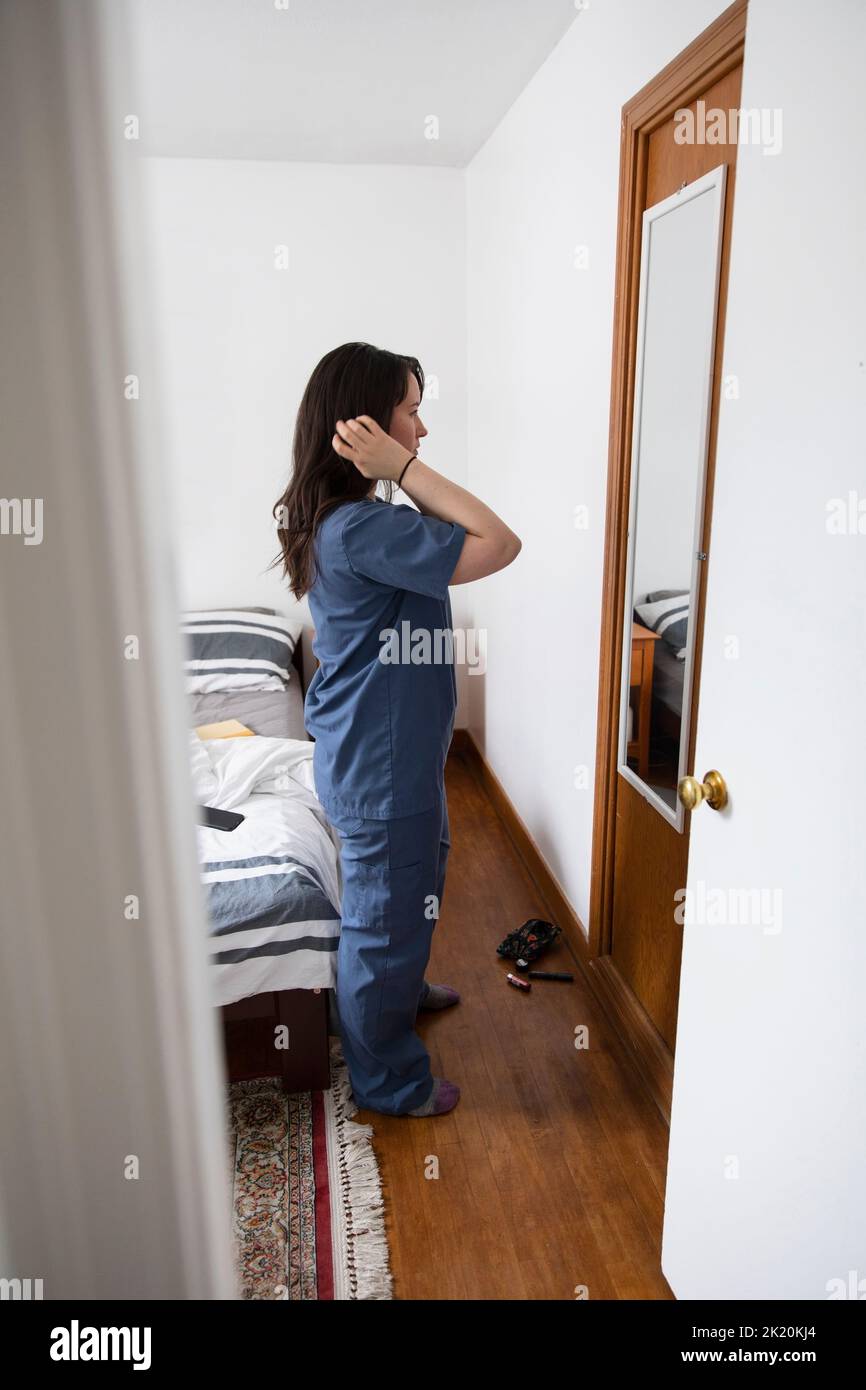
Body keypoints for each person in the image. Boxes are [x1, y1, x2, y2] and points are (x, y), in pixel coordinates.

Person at [272, 342, 521, 1116]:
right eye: (412, 410)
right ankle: (387, 1080)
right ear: (365, 426)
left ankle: (400, 991)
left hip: (388, 759)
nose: (422, 427)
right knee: (382, 918)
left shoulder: (360, 519)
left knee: (417, 882)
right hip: (381, 767)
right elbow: (498, 541)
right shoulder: (361, 530)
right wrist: (405, 468)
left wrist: (397, 468)